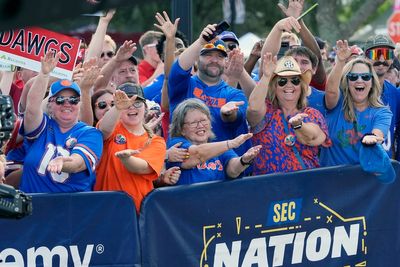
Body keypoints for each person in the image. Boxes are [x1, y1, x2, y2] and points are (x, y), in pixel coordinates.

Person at [20, 51, 103, 193]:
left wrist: (63, 163)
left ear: (79, 104)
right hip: (32, 209)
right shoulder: (43, 127)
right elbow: (31, 109)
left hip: (70, 210)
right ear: (49, 105)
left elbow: (78, 163)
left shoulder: (90, 133)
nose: (67, 104)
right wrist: (44, 74)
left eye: (73, 100)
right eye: (60, 100)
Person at [168, 24, 251, 160]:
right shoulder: (184, 85)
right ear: (197, 59)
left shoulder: (234, 94)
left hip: (225, 171)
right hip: (187, 166)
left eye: (219, 56)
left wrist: (228, 114)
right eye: (208, 55)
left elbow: (236, 120)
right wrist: (201, 42)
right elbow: (177, 70)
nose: (214, 60)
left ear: (225, 61)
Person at [247, 55, 330, 175]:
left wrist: (299, 125)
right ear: (274, 86)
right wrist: (266, 77)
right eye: (282, 81)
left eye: (295, 80)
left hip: (304, 186)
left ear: (301, 86)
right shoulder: (266, 111)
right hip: (268, 188)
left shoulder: (311, 114)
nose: (289, 85)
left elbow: (313, 137)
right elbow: (253, 108)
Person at [94, 82, 166, 213]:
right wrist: (117, 107)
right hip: (105, 209)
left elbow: (142, 168)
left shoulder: (156, 141)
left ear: (145, 108)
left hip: (138, 212)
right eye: (126, 104)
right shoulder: (113, 128)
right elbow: (103, 130)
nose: (131, 107)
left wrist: (126, 159)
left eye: (137, 103)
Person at [320, 48, 392, 166]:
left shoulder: (382, 112)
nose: (359, 80)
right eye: (353, 77)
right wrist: (340, 62)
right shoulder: (336, 104)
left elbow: (378, 133)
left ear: (372, 82)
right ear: (346, 81)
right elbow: (331, 91)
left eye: (365, 77)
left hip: (363, 182)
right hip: (330, 179)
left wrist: (373, 138)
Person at [167, 98, 261, 185]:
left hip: (216, 200)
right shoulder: (176, 145)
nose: (200, 125)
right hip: (187, 201)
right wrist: (231, 144)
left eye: (204, 120)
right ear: (182, 129)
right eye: (193, 123)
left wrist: (244, 160)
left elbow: (232, 171)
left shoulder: (219, 148)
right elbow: (197, 154)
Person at [363, 34, 400, 159]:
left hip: (386, 168)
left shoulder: (395, 93)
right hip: (356, 167)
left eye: (387, 54)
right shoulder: (352, 89)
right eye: (376, 54)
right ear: (365, 57)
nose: (382, 60)